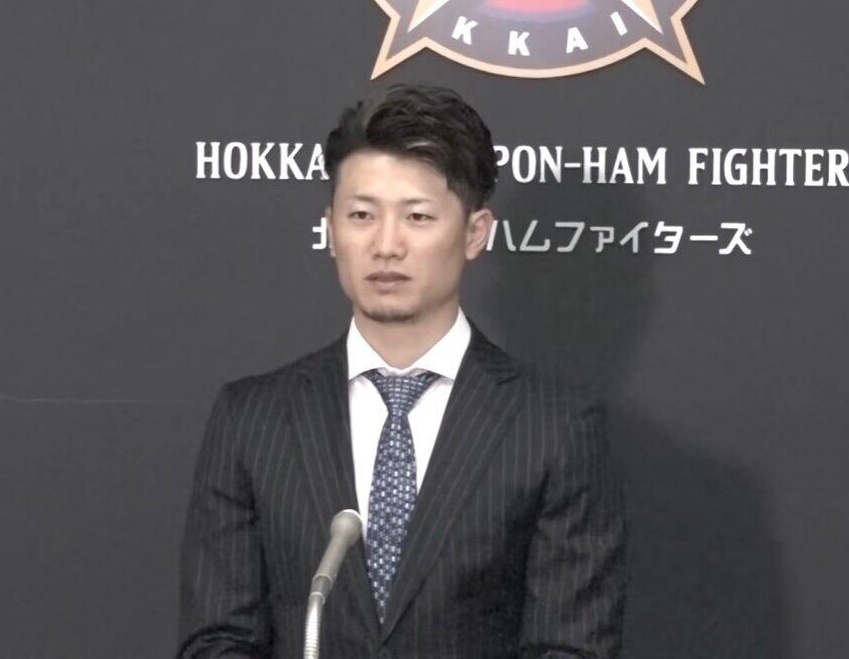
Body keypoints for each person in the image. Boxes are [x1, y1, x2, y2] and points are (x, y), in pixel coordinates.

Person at [177, 83, 626, 658]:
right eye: (361, 215)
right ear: (331, 228)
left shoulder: (555, 427)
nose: (386, 245)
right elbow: (217, 639)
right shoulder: (251, 419)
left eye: (417, 216)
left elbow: (570, 647)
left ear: (475, 233)